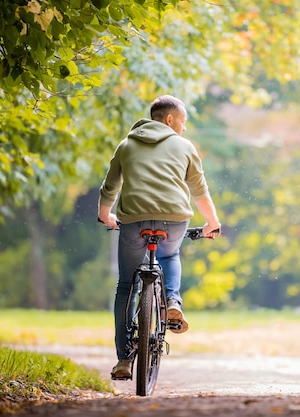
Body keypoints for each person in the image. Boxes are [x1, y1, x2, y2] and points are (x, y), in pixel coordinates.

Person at [98, 95, 221, 379]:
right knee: (168, 254)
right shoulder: (184, 146)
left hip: (133, 220)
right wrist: (212, 223)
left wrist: (106, 216)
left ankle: (123, 360)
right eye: (183, 121)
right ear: (169, 120)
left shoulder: (126, 145)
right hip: (174, 219)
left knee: (127, 285)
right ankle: (173, 302)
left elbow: (109, 187)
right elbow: (199, 191)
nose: (185, 128)